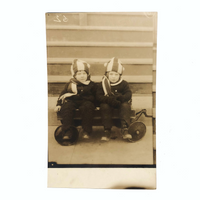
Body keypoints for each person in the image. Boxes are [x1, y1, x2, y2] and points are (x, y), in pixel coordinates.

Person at [54, 59, 96, 140]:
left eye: (84, 73)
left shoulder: (91, 85)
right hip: (72, 101)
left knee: (88, 106)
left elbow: (95, 97)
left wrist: (88, 99)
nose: (82, 76)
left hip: (86, 101)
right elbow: (63, 94)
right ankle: (67, 131)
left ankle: (86, 130)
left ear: (88, 75)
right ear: (74, 75)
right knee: (66, 107)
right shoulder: (70, 84)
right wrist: (59, 104)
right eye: (79, 74)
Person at [96, 57, 132, 141]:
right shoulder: (103, 84)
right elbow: (98, 96)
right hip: (108, 104)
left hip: (120, 104)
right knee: (104, 106)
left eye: (116, 74)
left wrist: (121, 97)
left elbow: (128, 94)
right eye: (111, 74)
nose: (113, 77)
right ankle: (107, 130)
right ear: (107, 74)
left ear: (120, 75)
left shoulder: (124, 84)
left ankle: (125, 128)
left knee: (125, 105)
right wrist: (109, 100)